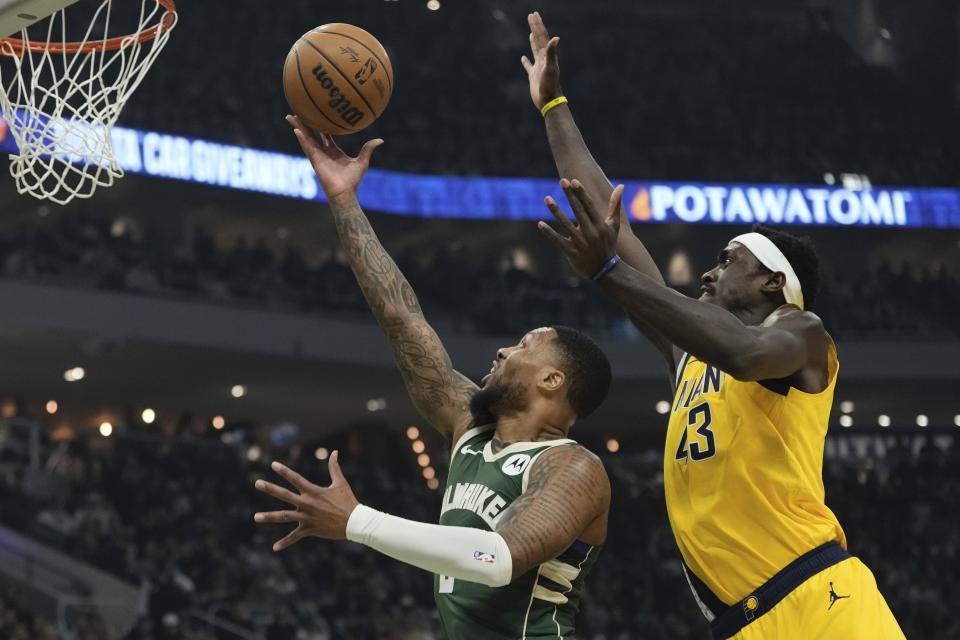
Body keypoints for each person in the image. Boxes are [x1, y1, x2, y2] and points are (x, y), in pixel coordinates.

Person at [523, 11, 905, 640]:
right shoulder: (690, 353)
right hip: (741, 622)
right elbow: (612, 222)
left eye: (728, 260)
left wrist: (609, 275)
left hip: (818, 599)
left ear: (772, 283)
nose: (706, 274)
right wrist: (553, 105)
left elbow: (748, 355)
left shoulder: (803, 335)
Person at [253, 114, 614, 639]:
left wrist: (358, 521)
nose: (503, 349)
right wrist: (345, 202)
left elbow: (498, 558)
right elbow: (403, 320)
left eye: (525, 345)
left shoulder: (574, 468)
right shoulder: (471, 428)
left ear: (553, 381)